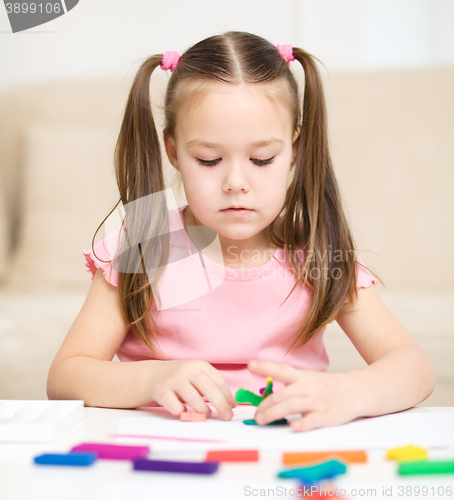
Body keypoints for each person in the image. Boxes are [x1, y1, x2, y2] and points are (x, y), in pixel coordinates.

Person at [47, 31, 434, 432]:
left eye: (262, 159)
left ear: (294, 151)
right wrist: (151, 379)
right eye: (209, 160)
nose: (236, 182)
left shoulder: (316, 253)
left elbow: (414, 367)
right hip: (170, 451)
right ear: (174, 152)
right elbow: (65, 376)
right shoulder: (144, 247)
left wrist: (349, 392)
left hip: (286, 452)